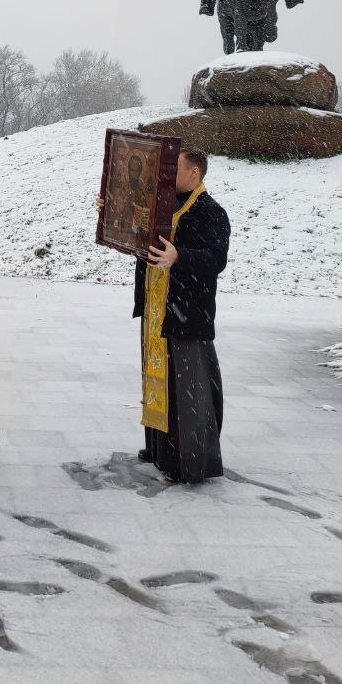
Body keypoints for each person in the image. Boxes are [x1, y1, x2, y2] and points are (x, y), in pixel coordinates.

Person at [96, 147, 230, 484]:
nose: (168, 175)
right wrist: (109, 211)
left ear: (195, 173)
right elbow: (135, 235)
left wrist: (179, 256)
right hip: (157, 309)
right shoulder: (163, 206)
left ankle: (189, 461)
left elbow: (216, 260)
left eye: (176, 169)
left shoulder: (211, 212)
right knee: (161, 383)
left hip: (187, 313)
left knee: (188, 388)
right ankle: (161, 450)